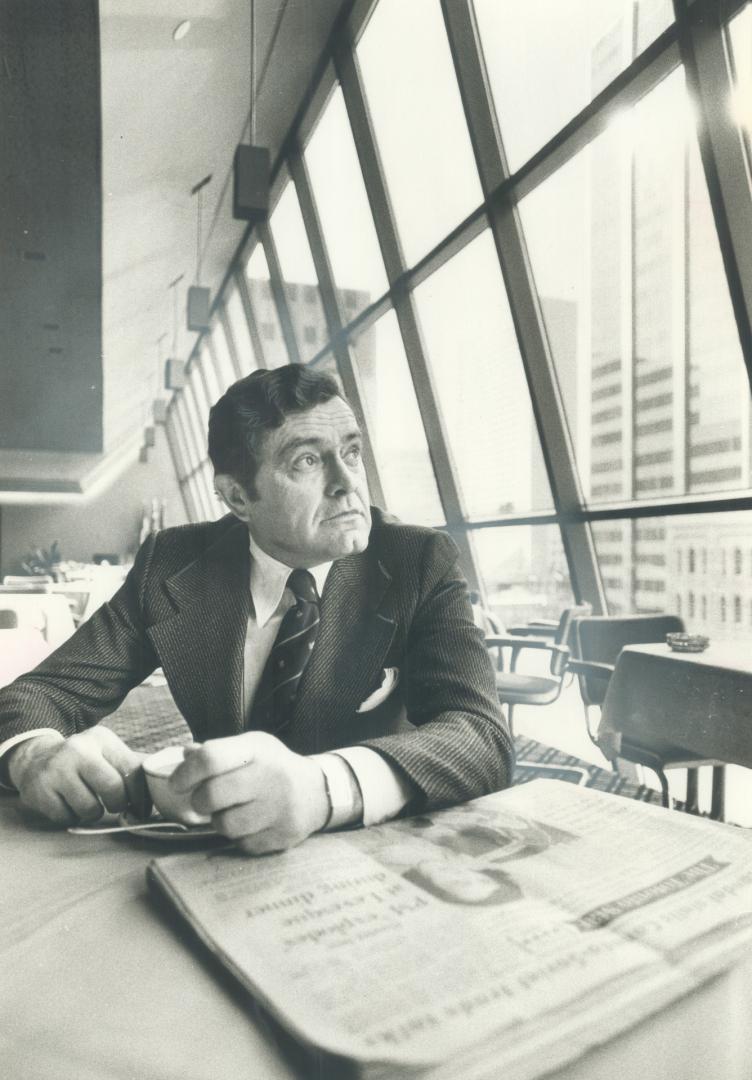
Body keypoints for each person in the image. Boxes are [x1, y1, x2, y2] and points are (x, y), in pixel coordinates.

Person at [0, 366, 513, 853]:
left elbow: (481, 736)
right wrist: (34, 754)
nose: (347, 482)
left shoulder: (417, 561)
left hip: (375, 854)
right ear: (237, 497)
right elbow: (41, 692)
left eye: (351, 453)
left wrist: (323, 788)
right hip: (219, 852)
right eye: (307, 461)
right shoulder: (173, 564)